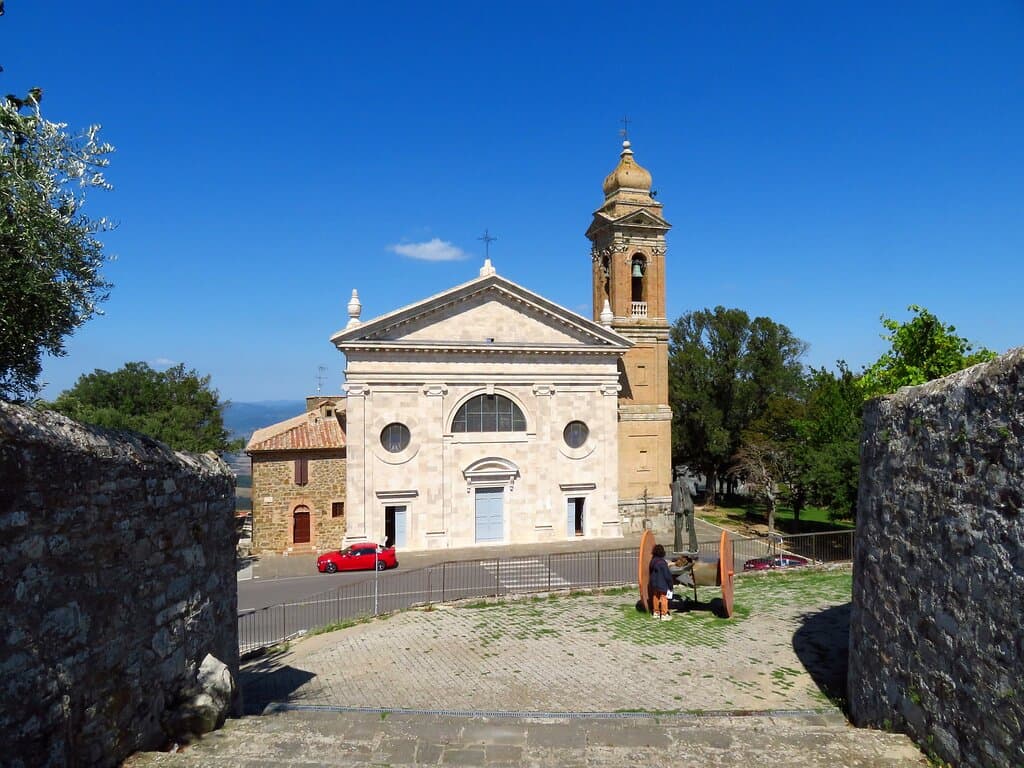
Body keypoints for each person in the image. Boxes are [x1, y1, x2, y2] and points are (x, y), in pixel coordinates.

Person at [649, 544, 674, 621]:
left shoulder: (652, 561)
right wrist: (670, 585)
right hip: (662, 583)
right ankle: (664, 614)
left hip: (654, 583)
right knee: (664, 598)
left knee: (655, 596)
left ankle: (656, 613)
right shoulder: (663, 563)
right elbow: (667, 576)